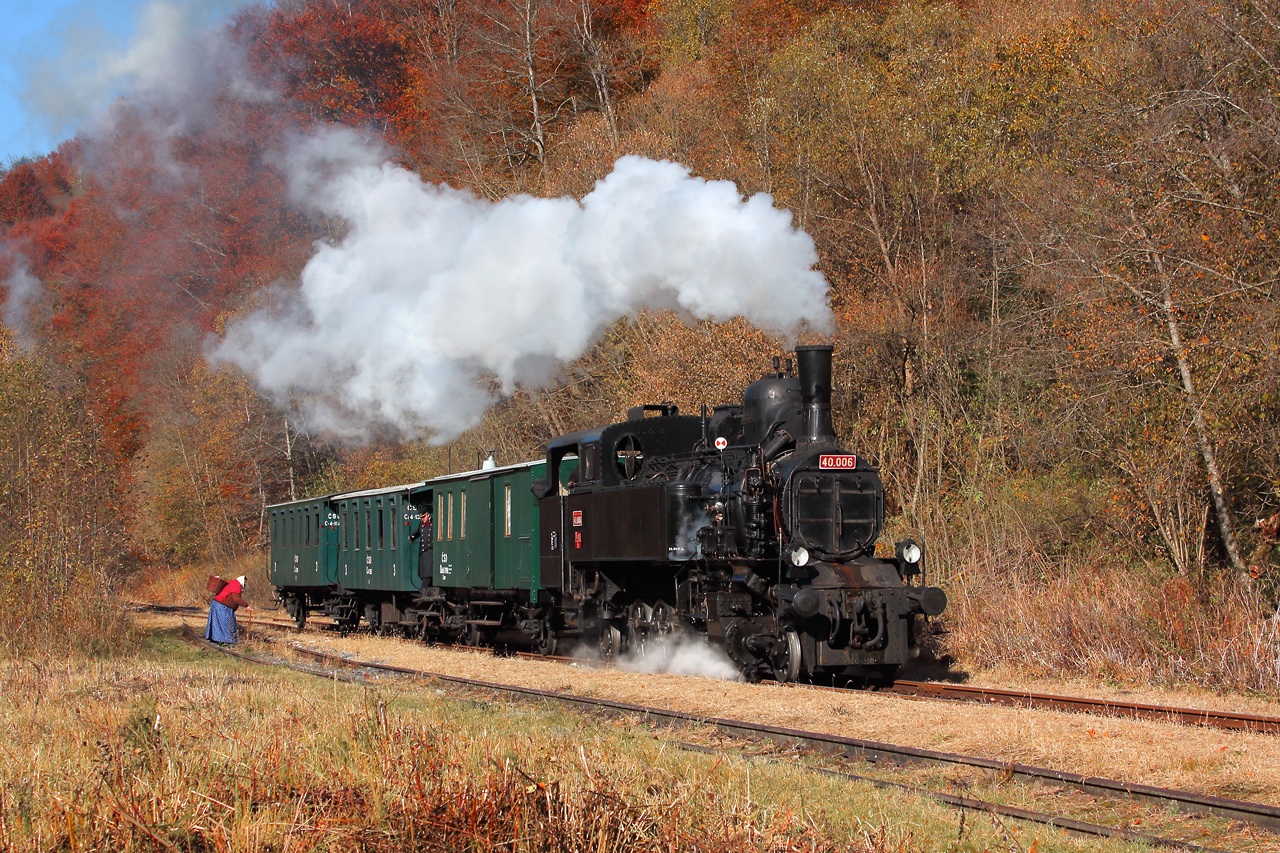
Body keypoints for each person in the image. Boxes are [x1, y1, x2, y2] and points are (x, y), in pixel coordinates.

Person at [206, 574, 250, 644]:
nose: (245, 584)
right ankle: (228, 641)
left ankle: (216, 639)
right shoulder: (237, 585)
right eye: (245, 582)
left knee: (217, 624)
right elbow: (236, 599)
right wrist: (246, 605)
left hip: (217, 605)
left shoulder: (232, 583)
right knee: (227, 624)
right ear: (241, 581)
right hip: (222, 607)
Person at [409, 512, 433, 580]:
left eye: (423, 517)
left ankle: (423, 589)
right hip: (422, 552)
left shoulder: (433, 524)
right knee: (422, 575)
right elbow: (418, 533)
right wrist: (412, 537)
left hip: (429, 551)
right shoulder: (421, 524)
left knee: (428, 575)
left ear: (428, 515)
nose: (422, 519)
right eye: (421, 517)